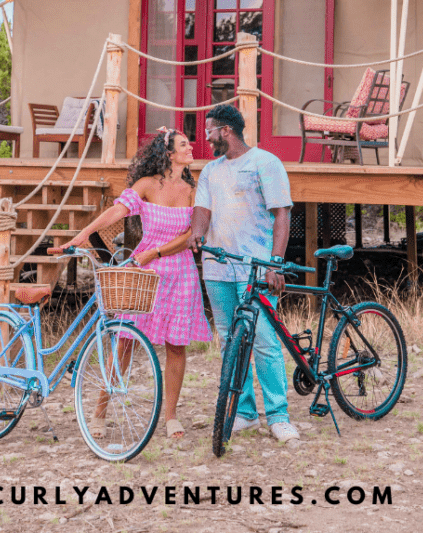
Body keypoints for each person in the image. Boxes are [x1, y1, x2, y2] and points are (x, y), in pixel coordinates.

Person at [51, 127, 211, 440]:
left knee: (176, 346)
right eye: (183, 144)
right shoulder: (147, 185)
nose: (191, 147)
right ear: (169, 153)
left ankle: (171, 417)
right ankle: (100, 411)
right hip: (144, 272)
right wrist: (84, 234)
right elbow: (117, 211)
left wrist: (156, 252)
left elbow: (191, 235)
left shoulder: (194, 188)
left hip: (179, 272)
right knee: (126, 339)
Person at [189, 103, 299, 447]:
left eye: (209, 130)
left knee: (264, 340)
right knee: (229, 340)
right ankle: (246, 413)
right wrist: (196, 233)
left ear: (226, 131)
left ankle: (279, 416)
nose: (205, 137)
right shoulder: (210, 171)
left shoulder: (265, 163)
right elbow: (202, 210)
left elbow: (281, 214)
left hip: (255, 268)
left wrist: (274, 262)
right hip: (217, 267)